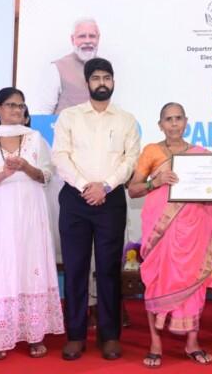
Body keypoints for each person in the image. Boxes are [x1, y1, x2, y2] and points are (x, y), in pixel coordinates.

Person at [0, 87, 64, 360]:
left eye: (20, 106)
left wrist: (25, 168)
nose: (17, 110)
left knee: (31, 265)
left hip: (31, 211)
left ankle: (35, 334)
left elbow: (46, 175)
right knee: (2, 266)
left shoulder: (35, 138)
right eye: (10, 105)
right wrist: (4, 174)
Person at [51, 57, 140, 361]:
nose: (102, 83)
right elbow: (60, 156)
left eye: (107, 78)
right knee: (75, 269)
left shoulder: (126, 119)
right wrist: (85, 185)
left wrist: (105, 186)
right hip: (75, 199)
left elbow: (130, 159)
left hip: (110, 199)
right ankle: (75, 335)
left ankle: (109, 335)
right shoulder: (69, 117)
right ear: (87, 82)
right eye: (96, 78)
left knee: (108, 269)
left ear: (113, 81)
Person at [127, 102, 212, 368]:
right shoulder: (152, 151)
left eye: (179, 118)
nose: (174, 123)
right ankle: (155, 344)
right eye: (168, 119)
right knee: (156, 282)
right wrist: (155, 182)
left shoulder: (200, 154)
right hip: (161, 231)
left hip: (194, 230)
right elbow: (133, 189)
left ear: (186, 122)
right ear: (160, 125)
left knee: (193, 282)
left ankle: (192, 343)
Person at [29, 18, 101, 115]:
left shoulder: (105, 69)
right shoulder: (57, 68)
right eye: (82, 36)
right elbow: (44, 113)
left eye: (92, 36)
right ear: (72, 39)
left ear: (98, 38)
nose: (87, 41)